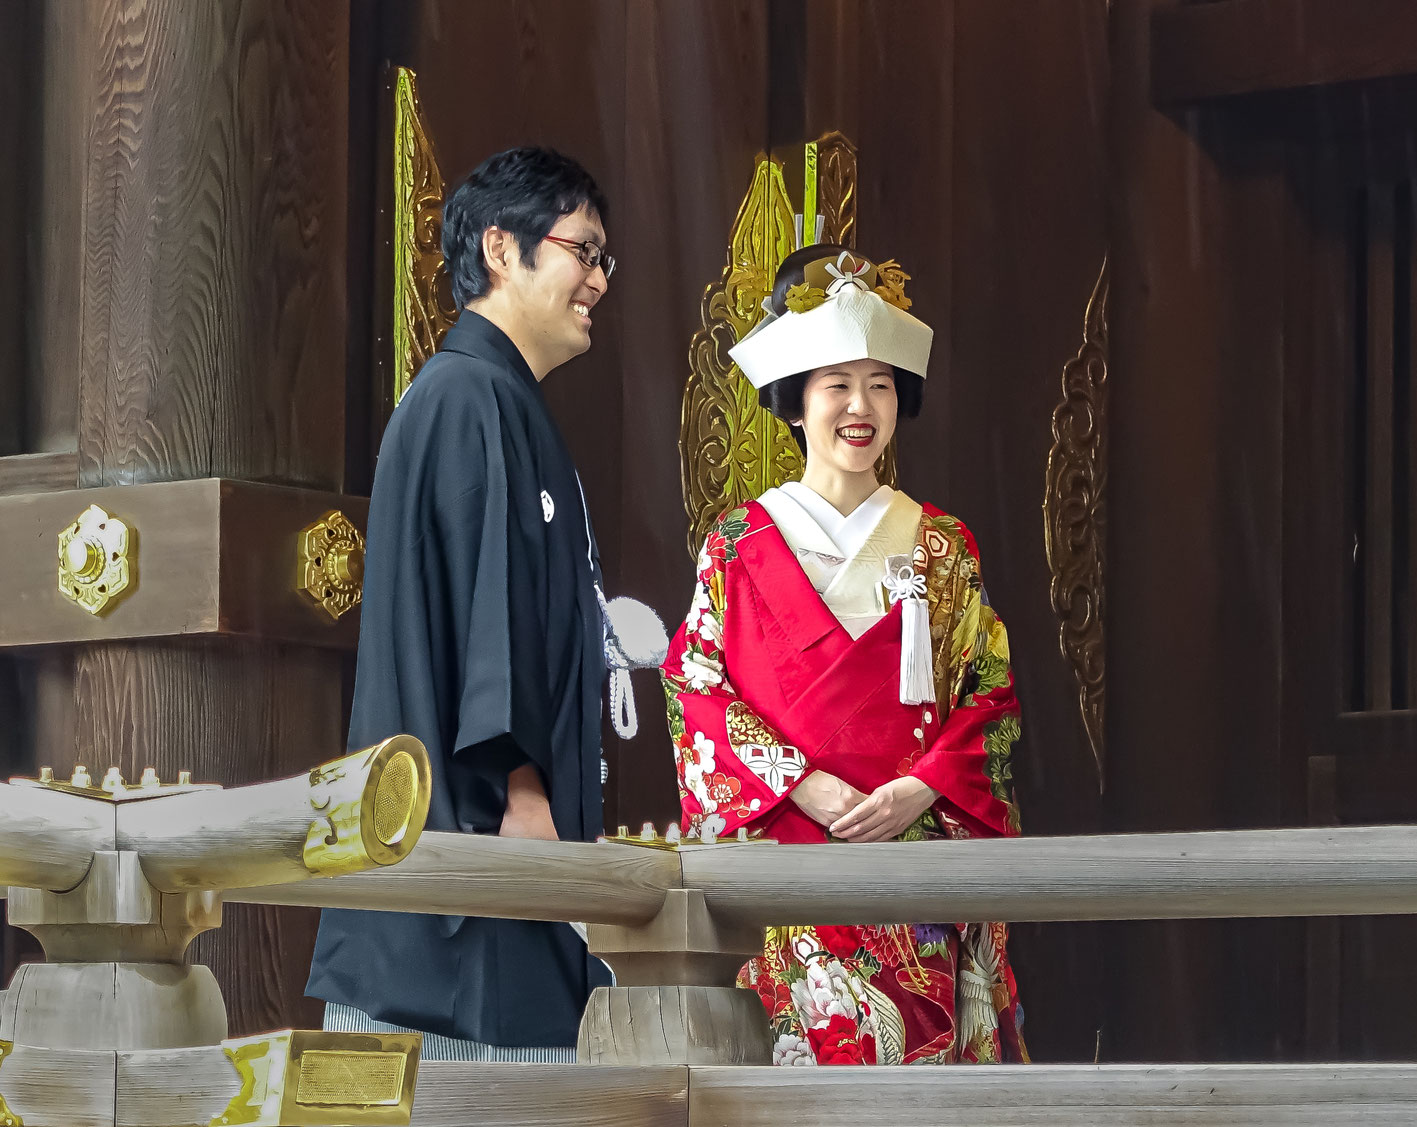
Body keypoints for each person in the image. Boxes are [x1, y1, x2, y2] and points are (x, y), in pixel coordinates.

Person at [660, 244, 1027, 1066]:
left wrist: (922, 784)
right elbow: (696, 692)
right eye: (837, 383)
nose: (860, 406)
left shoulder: (943, 545)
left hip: (911, 881)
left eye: (881, 383)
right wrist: (801, 780)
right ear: (795, 401)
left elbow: (989, 696)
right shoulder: (736, 544)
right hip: (788, 875)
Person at [306, 147, 617, 1061]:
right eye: (582, 250)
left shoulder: (490, 398)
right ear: (500, 248)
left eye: (604, 259)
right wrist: (522, 793)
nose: (598, 278)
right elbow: (492, 624)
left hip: (487, 872)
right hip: (476, 874)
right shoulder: (469, 396)